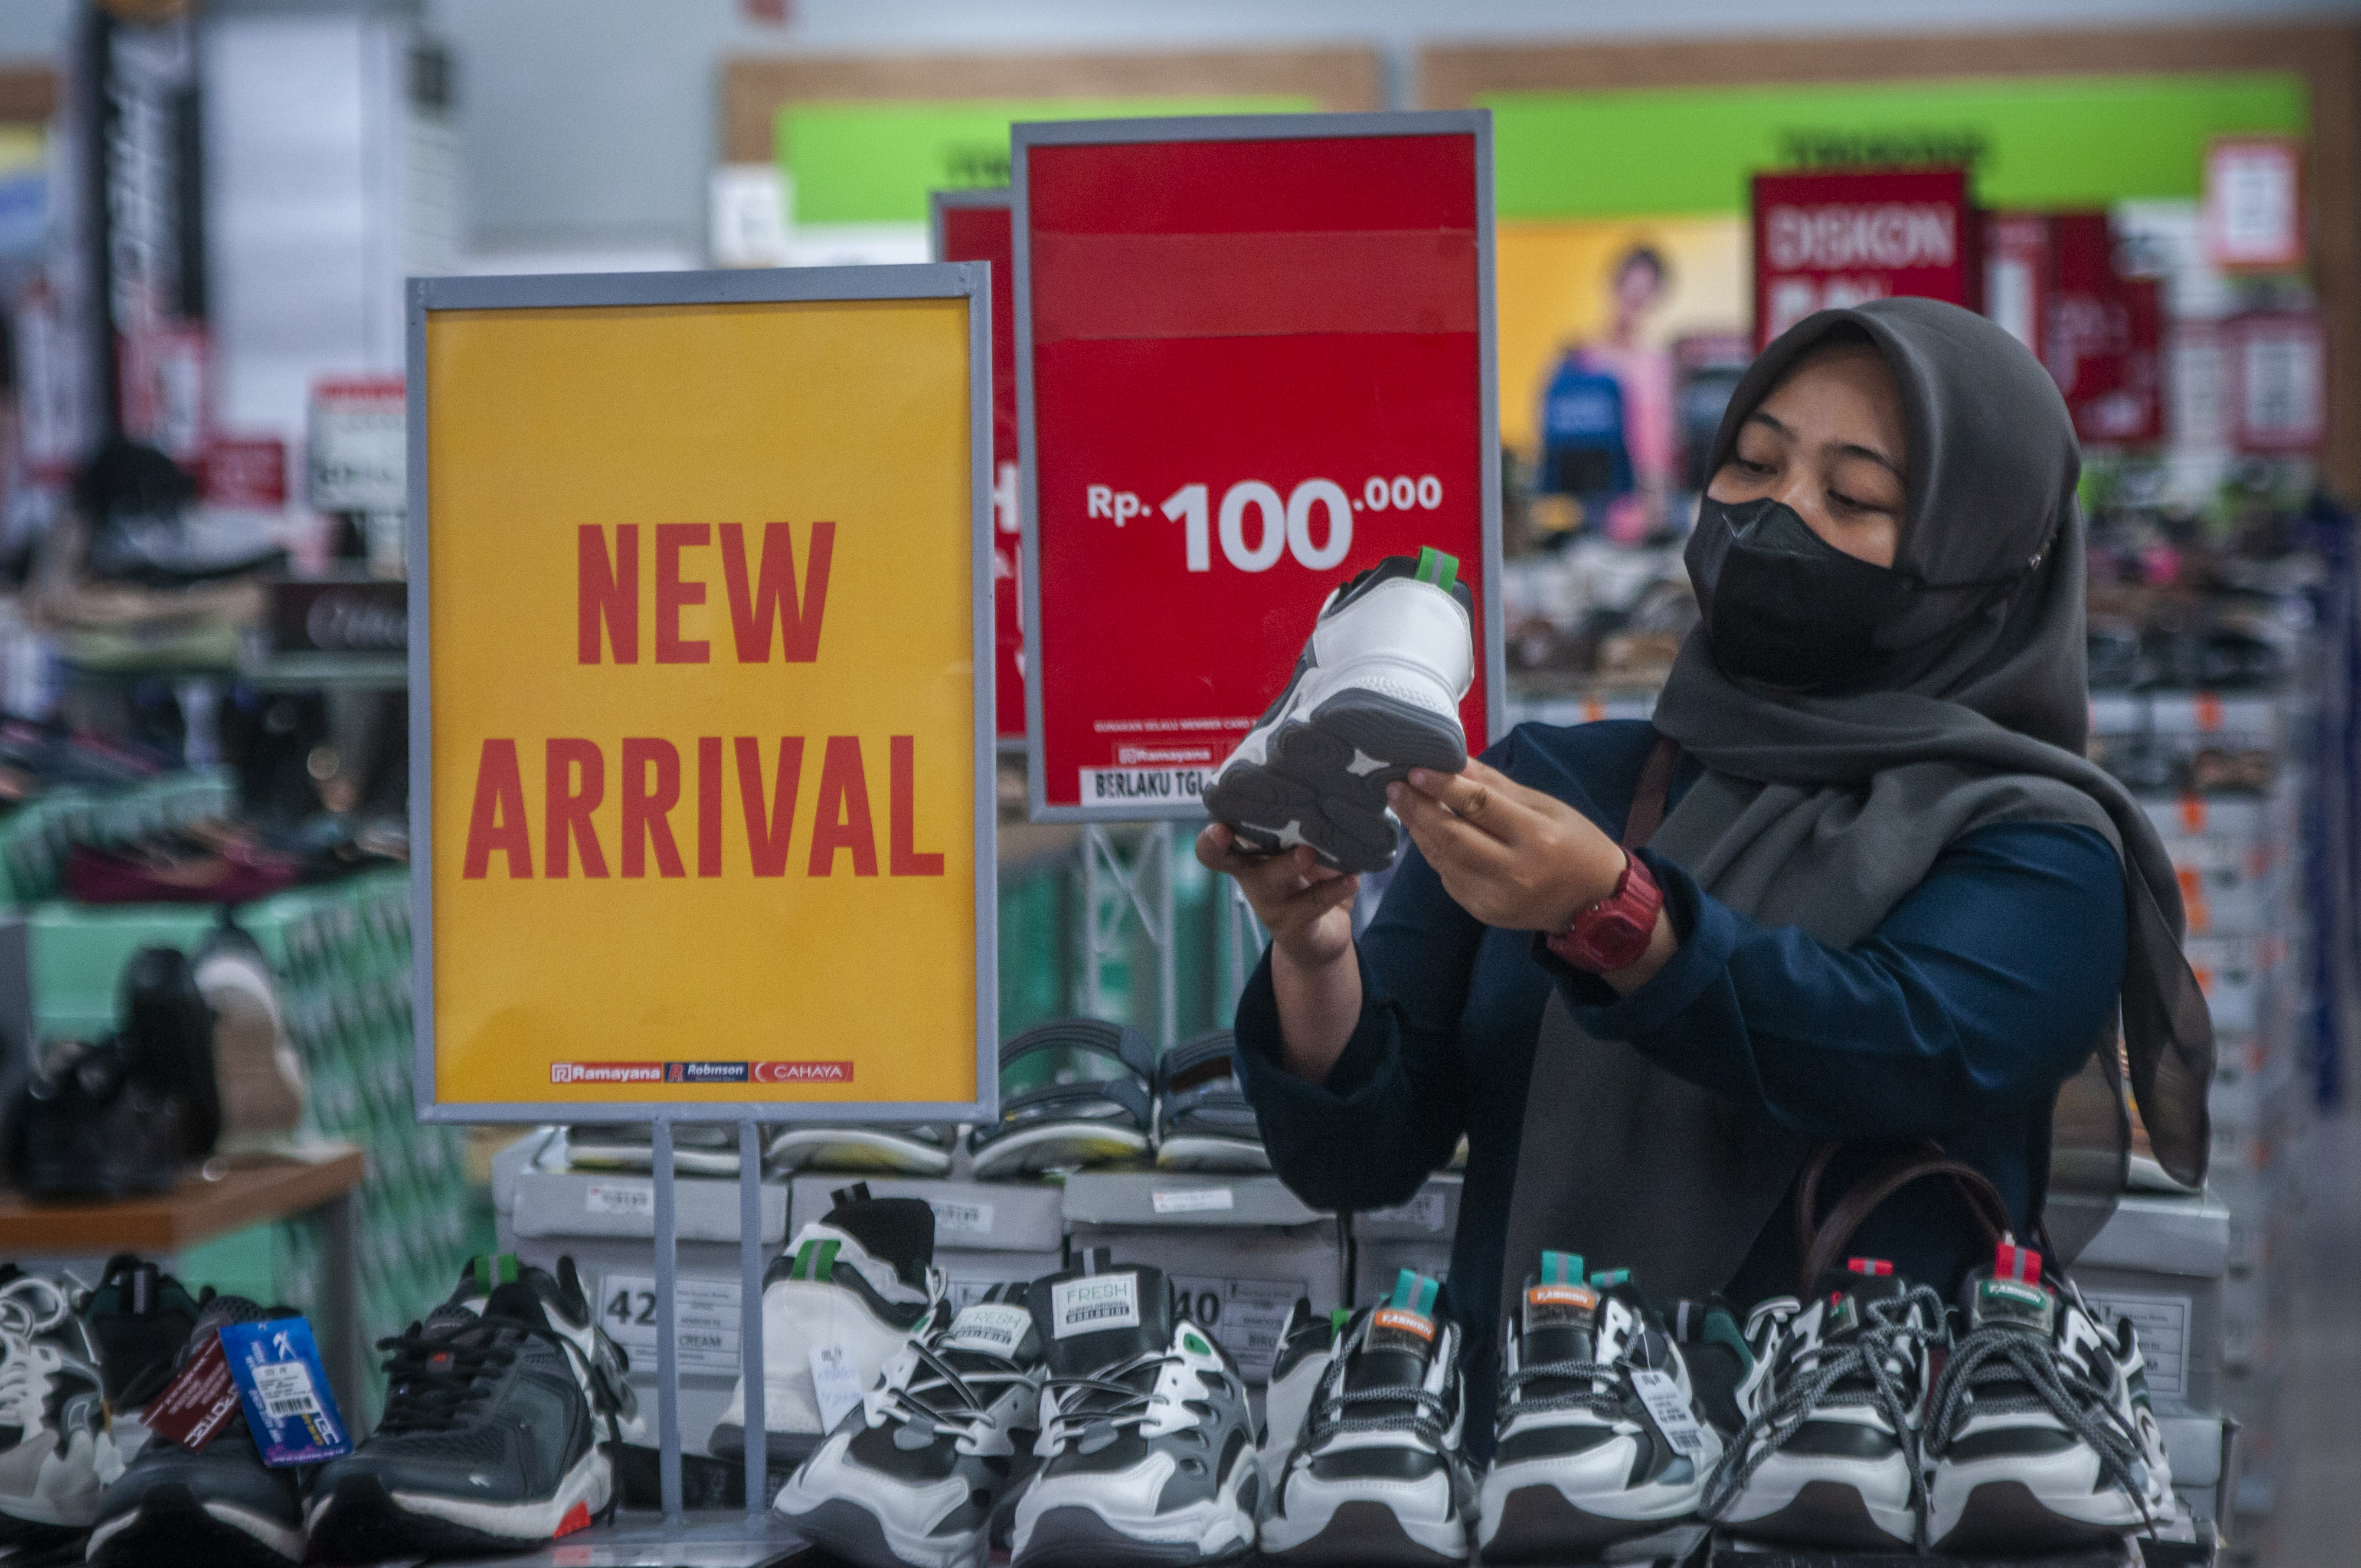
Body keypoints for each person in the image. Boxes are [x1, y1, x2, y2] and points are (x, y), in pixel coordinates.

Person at [1200, 297, 2212, 1449]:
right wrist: (1312, 948)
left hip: (1865, 1479)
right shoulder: (1554, 787)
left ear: (1982, 563)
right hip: (1539, 1470)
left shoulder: (2041, 846)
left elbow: (1899, 1047)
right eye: (1753, 463)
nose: (1779, 512)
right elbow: (1360, 1153)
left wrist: (1618, 917)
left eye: (1852, 497)